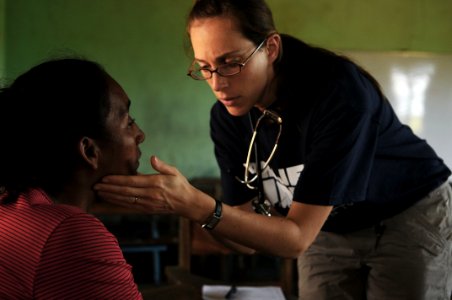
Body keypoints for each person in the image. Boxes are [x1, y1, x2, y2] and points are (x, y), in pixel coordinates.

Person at [94, 0, 452, 299]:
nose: (218, 83)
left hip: (407, 214)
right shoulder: (228, 118)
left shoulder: (337, 93)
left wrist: (196, 203)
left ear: (271, 48)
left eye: (231, 62)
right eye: (205, 68)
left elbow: (295, 238)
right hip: (329, 229)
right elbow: (246, 239)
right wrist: (185, 206)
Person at [0, 58, 145, 299]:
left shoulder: (10, 208)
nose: (140, 135)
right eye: (128, 122)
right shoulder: (71, 234)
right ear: (89, 151)